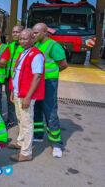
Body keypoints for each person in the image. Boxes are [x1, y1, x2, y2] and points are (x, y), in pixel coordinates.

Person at [8, 29, 45, 162]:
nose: (21, 41)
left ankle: (26, 152)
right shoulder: (23, 52)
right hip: (19, 93)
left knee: (27, 122)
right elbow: (17, 73)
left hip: (26, 95)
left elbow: (37, 77)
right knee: (21, 120)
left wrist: (28, 97)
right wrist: (13, 90)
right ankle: (20, 142)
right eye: (20, 38)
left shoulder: (36, 55)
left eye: (25, 39)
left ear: (32, 39)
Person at [33, 23, 68, 158]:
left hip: (49, 82)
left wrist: (51, 75)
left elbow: (63, 65)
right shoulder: (36, 45)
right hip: (37, 82)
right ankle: (38, 135)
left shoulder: (54, 46)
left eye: (36, 33)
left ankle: (56, 144)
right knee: (37, 108)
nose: (34, 35)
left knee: (50, 111)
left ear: (45, 33)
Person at [5, 25, 24, 128]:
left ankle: (21, 121)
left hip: (19, 79)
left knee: (20, 101)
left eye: (18, 32)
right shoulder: (10, 45)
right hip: (9, 78)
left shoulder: (25, 47)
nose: (15, 34)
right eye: (13, 32)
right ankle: (11, 120)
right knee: (10, 100)